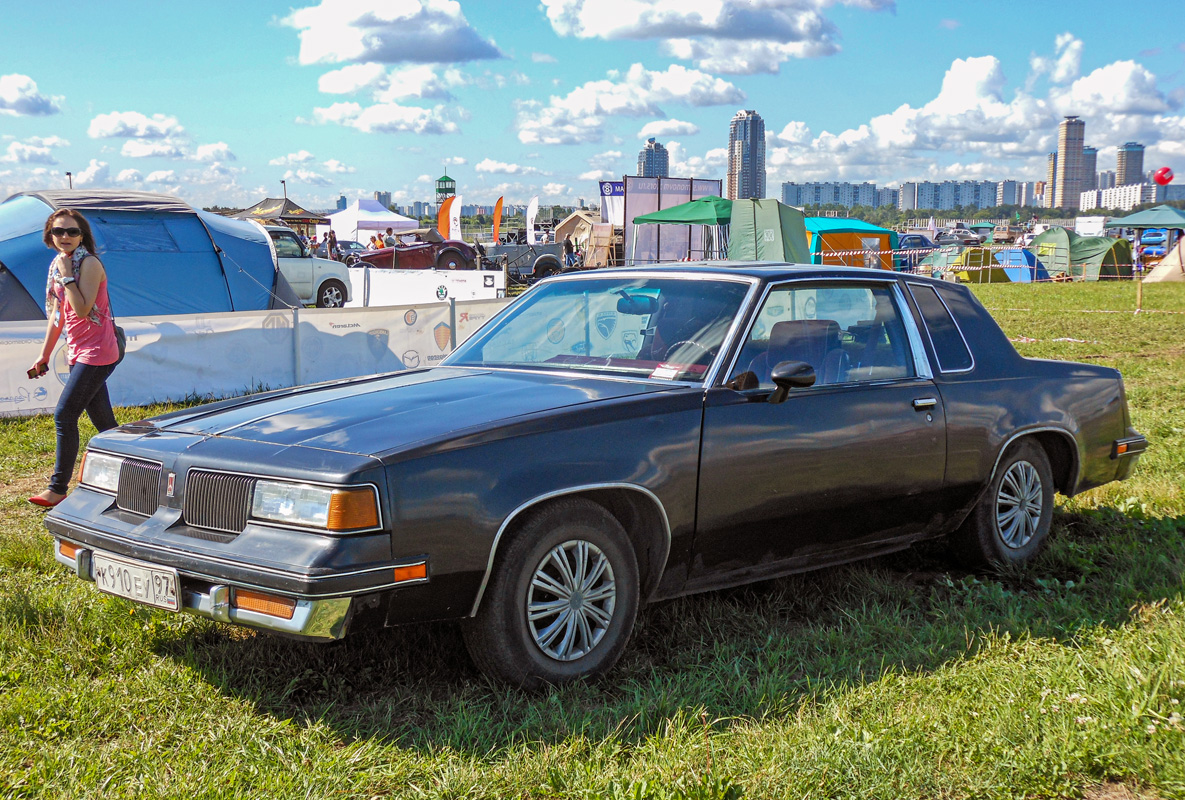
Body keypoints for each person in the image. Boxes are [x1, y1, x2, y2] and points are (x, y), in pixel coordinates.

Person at [28, 209, 120, 508]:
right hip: (78, 350)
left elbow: (81, 309)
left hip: (99, 352)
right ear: (49, 235)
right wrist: (44, 354)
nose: (64, 237)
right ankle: (137, 470)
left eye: (72, 231)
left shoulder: (89, 264)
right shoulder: (58, 264)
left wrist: (68, 277)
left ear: (82, 235)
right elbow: (58, 315)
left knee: (65, 416)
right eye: (58, 231)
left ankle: (57, 489)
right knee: (104, 423)